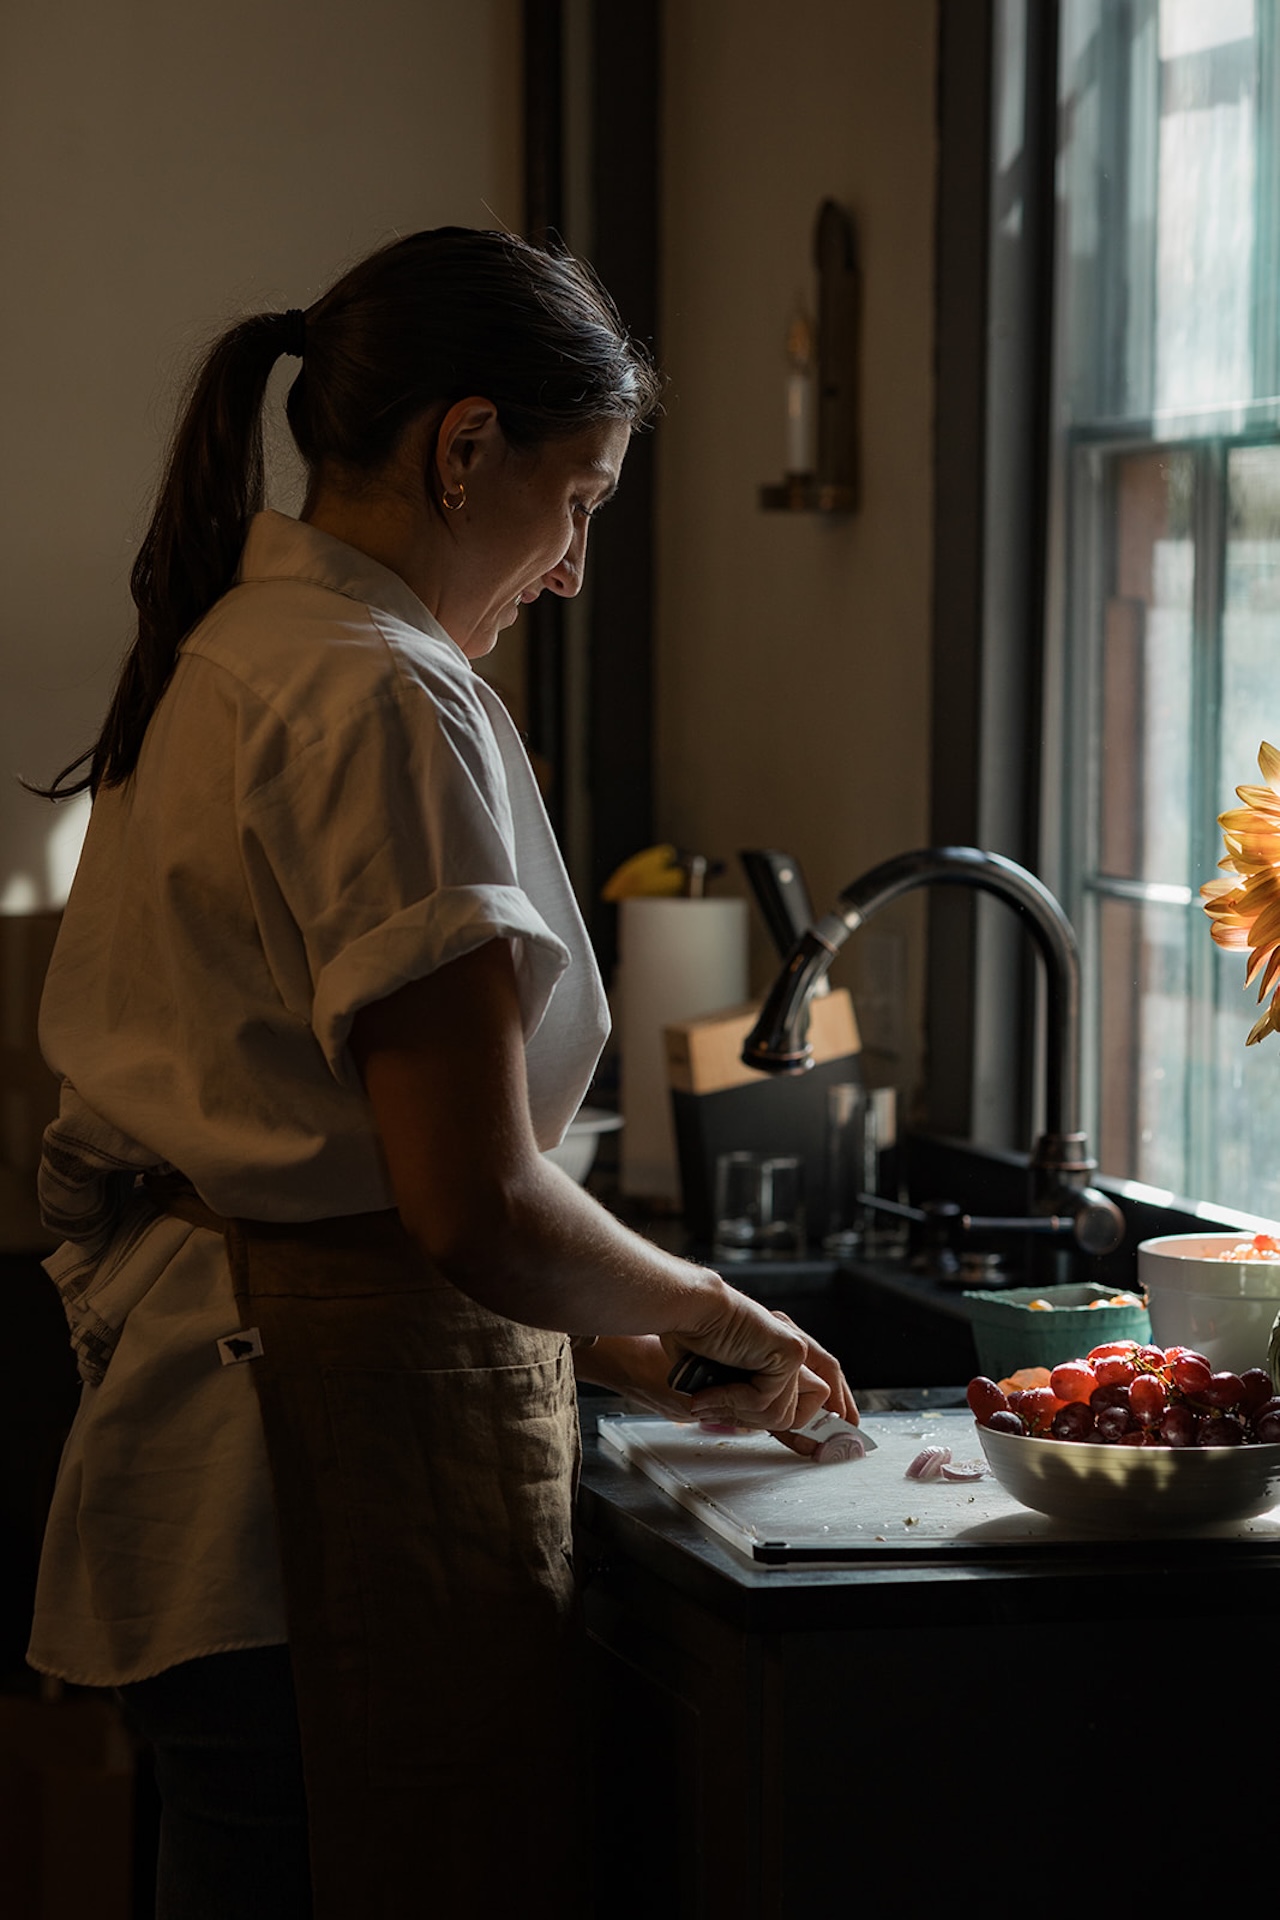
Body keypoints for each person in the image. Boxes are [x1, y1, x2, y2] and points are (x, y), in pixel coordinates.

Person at [27, 226, 858, 1919]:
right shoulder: (376, 697)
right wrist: (724, 1313)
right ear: (464, 446)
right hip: (305, 1498)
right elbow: (473, 1199)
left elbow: (315, 1151)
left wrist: (620, 1337)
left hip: (227, 1453)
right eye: (580, 502)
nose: (571, 570)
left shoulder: (238, 646)